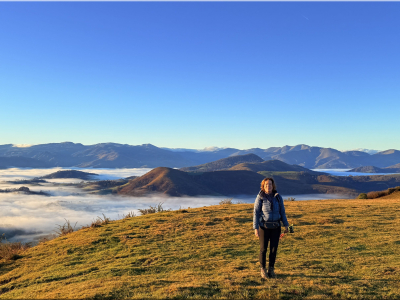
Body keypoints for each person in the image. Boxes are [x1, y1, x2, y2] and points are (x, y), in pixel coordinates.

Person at [253, 177, 289, 279]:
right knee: (263, 249)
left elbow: (282, 212)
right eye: (266, 185)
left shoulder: (278, 197)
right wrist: (255, 228)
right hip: (264, 227)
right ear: (263, 186)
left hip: (276, 227)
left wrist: (286, 225)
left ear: (273, 186)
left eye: (270, 184)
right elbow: (255, 213)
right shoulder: (260, 197)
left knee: (274, 249)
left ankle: (271, 270)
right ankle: (263, 270)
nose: (268, 186)